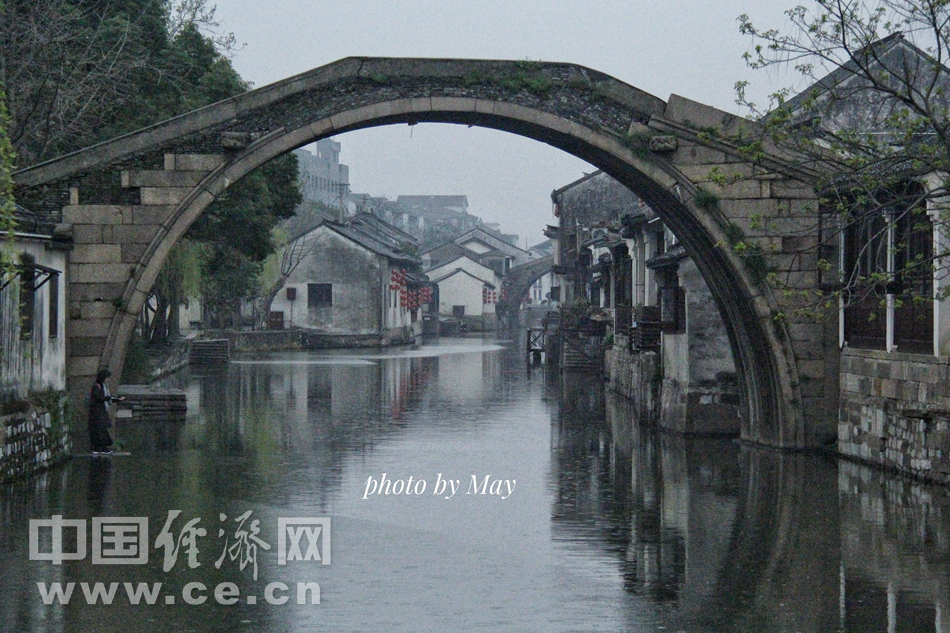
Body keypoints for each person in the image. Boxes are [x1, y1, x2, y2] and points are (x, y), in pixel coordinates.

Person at [88, 369, 123, 455]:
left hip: (102, 411)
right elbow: (97, 397)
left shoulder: (103, 387)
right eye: (107, 378)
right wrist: (107, 398)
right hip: (97, 412)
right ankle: (101, 448)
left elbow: (107, 398)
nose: (108, 380)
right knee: (100, 429)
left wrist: (118, 399)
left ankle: (101, 447)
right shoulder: (97, 386)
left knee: (102, 428)